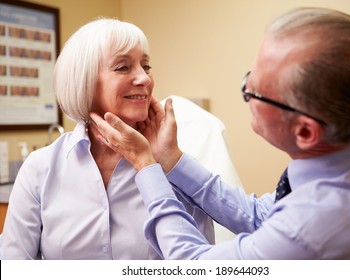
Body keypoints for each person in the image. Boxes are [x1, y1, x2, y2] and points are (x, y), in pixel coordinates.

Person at [90, 7, 350, 259]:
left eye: (255, 91)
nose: (245, 89)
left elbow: (193, 266)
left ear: (304, 132)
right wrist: (171, 160)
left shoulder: (311, 231)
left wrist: (147, 167)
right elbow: (262, 216)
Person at [0, 18, 214, 259]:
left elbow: (202, 265)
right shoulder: (40, 168)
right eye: (123, 67)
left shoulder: (176, 172)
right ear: (84, 81)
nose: (144, 78)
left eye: (146, 66)